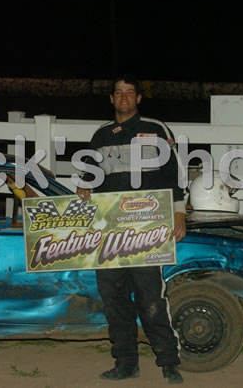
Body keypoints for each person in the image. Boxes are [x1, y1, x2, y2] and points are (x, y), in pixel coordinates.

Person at [76, 74, 186, 384]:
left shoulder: (156, 129)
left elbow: (175, 174)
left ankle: (169, 363)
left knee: (152, 299)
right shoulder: (100, 136)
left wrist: (179, 213)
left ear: (138, 98)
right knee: (114, 300)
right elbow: (90, 177)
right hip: (110, 234)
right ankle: (125, 363)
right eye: (118, 92)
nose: (124, 97)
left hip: (148, 230)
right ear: (111, 98)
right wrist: (84, 187)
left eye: (130, 92)